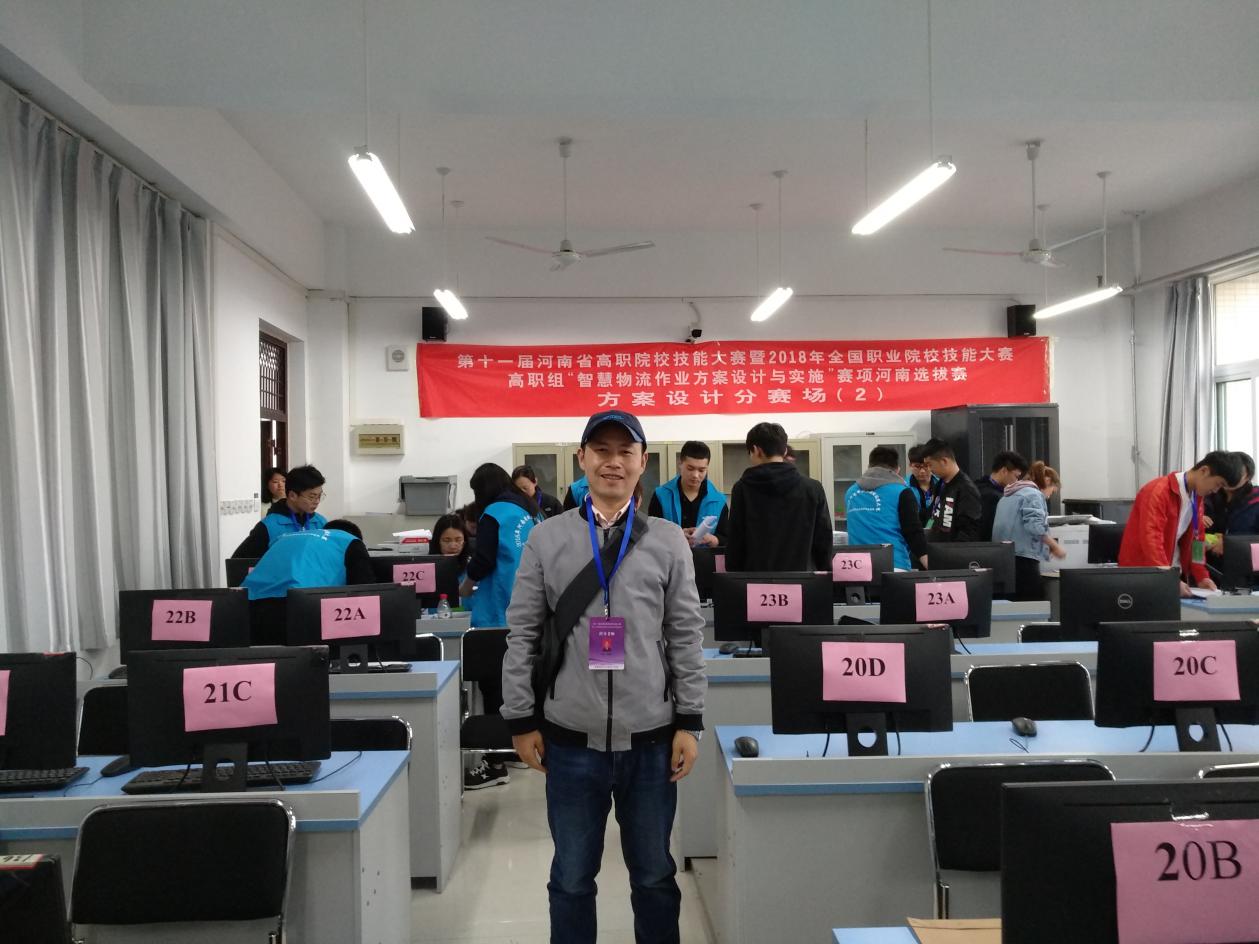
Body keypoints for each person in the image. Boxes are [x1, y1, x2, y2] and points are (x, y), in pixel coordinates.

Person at [501, 409, 706, 944]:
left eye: (625, 452)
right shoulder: (546, 538)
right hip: (571, 740)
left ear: (643, 462)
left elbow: (685, 634)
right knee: (571, 878)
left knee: (655, 875)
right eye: (601, 450)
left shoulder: (667, 540)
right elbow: (522, 634)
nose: (613, 462)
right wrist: (520, 719)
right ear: (582, 459)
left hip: (651, 738)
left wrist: (689, 720)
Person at [461, 463, 542, 789]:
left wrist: (467, 584)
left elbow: (484, 559)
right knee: (525, 682)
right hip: (533, 605)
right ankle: (517, 750)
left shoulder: (493, 513)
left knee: (495, 686)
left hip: (500, 609)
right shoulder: (530, 510)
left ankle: (495, 761)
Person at [1119, 451, 1242, 597]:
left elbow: (1197, 541)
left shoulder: (1197, 497)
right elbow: (1151, 539)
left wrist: (1201, 575)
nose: (1216, 490)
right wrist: (1168, 578)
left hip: (1170, 575)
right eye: (1218, 484)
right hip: (1144, 576)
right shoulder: (1158, 491)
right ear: (1204, 471)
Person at [241, 519, 376, 645]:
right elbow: (365, 590)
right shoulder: (350, 540)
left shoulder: (284, 537)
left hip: (247, 606)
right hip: (300, 605)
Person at [725, 422, 832, 572]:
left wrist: (735, 576)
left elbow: (736, 541)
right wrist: (824, 574)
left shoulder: (742, 489)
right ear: (785, 450)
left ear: (756, 450)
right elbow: (823, 540)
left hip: (756, 580)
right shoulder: (813, 488)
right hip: (803, 578)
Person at [844, 445, 928, 571]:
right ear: (897, 469)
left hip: (856, 568)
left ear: (869, 467)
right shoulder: (902, 492)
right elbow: (913, 532)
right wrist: (931, 566)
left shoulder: (851, 492)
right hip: (894, 566)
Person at [992, 462, 1067, 600]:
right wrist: (1055, 546)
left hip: (1002, 559)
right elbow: (1035, 526)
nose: (1049, 497)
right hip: (1023, 561)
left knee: (1009, 605)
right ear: (1048, 481)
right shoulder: (1033, 494)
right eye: (1052, 491)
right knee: (1033, 603)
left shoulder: (1007, 496)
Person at [233, 464, 328, 558]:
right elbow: (238, 562)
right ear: (292, 495)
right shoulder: (268, 526)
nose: (317, 501)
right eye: (312, 497)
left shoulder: (321, 522)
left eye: (319, 496)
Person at [648, 440, 729, 547]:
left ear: (707, 469)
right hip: (670, 556)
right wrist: (677, 535)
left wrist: (712, 539)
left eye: (701, 470)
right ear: (680, 464)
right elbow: (651, 534)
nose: (695, 475)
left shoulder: (719, 501)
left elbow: (726, 538)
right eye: (690, 468)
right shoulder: (661, 496)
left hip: (705, 557)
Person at [920, 439, 983, 543]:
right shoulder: (940, 485)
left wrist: (954, 551)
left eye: (930, 464)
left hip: (952, 550)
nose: (929, 469)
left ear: (944, 461)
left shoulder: (966, 489)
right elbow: (932, 514)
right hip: (935, 547)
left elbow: (968, 531)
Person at [1205, 452, 1259, 548]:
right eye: (1228, 472)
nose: (1230, 477)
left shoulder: (1255, 500)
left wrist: (1229, 544)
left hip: (1243, 556)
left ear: (1248, 477)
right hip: (1206, 555)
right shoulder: (1209, 493)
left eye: (1237, 474)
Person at [976, 450, 1029, 541]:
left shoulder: (977, 487)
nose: (1016, 481)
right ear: (1004, 471)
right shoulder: (994, 497)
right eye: (1016, 476)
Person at [905, 445, 940, 526]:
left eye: (926, 466)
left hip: (936, 529)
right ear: (910, 465)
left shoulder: (941, 484)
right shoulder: (903, 486)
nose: (922, 471)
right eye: (917, 466)